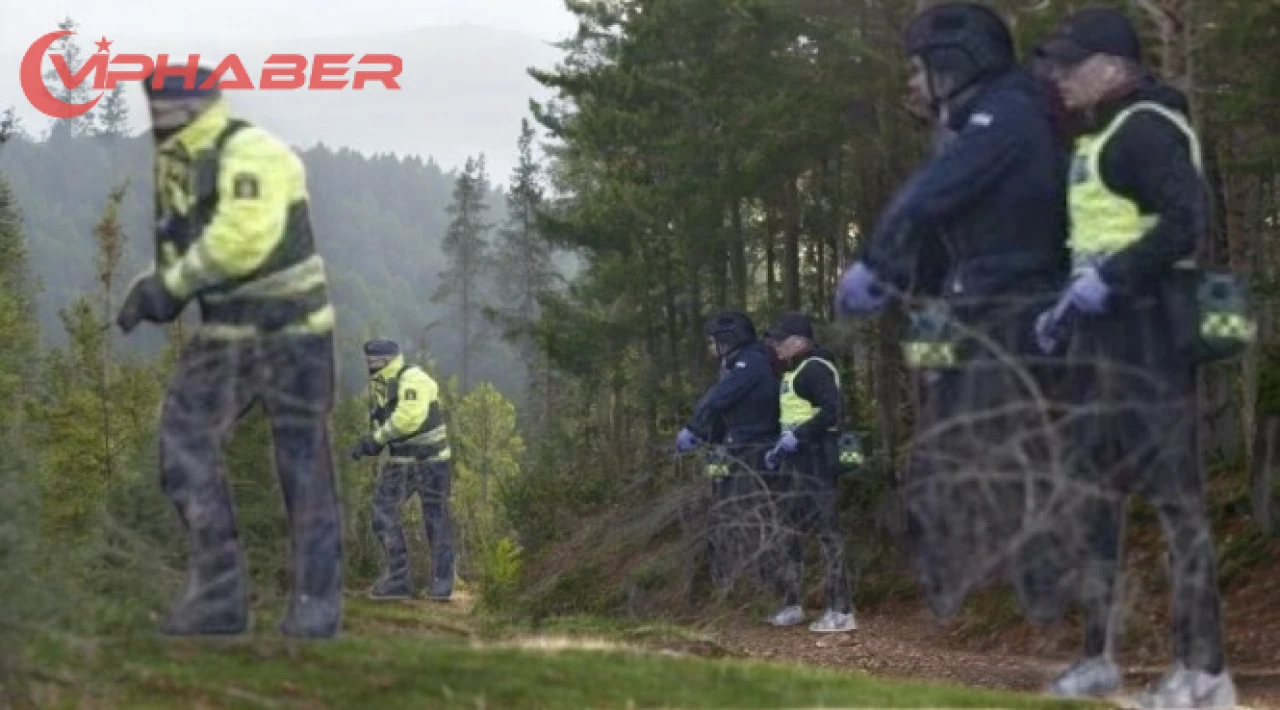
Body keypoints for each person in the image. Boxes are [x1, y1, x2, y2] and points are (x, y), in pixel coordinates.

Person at [834, 2, 1072, 623]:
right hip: (979, 308)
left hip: (1018, 307)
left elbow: (929, 198)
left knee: (989, 455)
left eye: (919, 68)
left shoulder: (1009, 112)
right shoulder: (970, 125)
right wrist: (920, 304)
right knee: (946, 461)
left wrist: (878, 264)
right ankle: (1012, 598)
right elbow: (946, 236)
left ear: (956, 62)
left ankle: (1059, 601)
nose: (910, 83)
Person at [1033, 9, 1236, 707]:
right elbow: (1098, 238)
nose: (1059, 77)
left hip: (1153, 339)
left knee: (1179, 503)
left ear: (1114, 65)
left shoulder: (1147, 127)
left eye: (1072, 63)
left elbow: (1187, 220)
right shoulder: (1101, 135)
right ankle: (1098, 658)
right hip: (1104, 345)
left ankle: (1205, 673)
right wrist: (1064, 307)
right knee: (1094, 501)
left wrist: (1109, 279)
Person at [117, 66, 342, 638]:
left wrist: (168, 287)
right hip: (228, 336)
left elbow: (242, 238)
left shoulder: (255, 151)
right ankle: (221, 597)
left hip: (293, 332)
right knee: (184, 443)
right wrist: (155, 286)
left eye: (164, 108)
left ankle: (316, 605)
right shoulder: (179, 161)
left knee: (302, 465)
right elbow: (187, 239)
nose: (157, 119)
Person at [761, 313, 856, 633]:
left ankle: (841, 611)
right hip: (796, 465)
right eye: (773, 340)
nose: (775, 346)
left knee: (827, 533)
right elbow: (795, 417)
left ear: (800, 341)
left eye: (780, 339)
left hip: (817, 463)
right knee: (789, 533)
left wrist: (798, 437)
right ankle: (792, 605)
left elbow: (834, 412)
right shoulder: (795, 371)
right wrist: (778, 449)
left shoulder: (815, 368)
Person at [676, 312, 779, 590]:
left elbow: (717, 399)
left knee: (749, 514)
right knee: (722, 511)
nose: (710, 348)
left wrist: (693, 429)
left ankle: (769, 585)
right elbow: (726, 411)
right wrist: (709, 443)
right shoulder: (733, 365)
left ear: (729, 339)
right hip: (732, 448)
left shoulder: (751, 363)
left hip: (753, 449)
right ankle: (725, 584)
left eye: (713, 342)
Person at [351, 339, 456, 602]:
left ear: (386, 360)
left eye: (373, 361)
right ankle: (398, 580)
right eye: (368, 361)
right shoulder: (381, 386)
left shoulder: (413, 378)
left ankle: (442, 582)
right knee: (382, 512)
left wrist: (376, 440)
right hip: (401, 461)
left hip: (432, 461)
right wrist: (372, 441)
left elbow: (409, 418)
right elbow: (387, 419)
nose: (369, 366)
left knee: (436, 519)